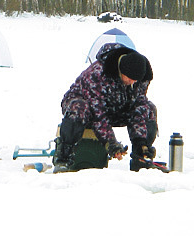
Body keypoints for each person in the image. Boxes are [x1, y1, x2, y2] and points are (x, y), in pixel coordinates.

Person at [53, 42, 159, 173]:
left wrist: (141, 140)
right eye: (130, 79)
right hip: (86, 107)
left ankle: (141, 157)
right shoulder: (97, 74)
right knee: (79, 107)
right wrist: (111, 143)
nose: (133, 83)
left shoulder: (140, 77)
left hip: (116, 108)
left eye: (136, 80)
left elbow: (139, 104)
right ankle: (63, 157)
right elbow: (98, 114)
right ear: (122, 70)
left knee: (148, 108)